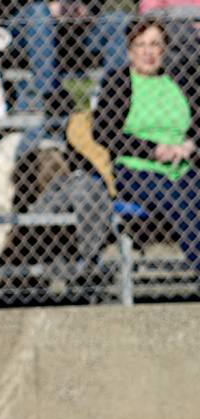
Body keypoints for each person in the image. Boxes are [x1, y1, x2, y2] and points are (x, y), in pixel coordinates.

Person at [94, 18, 200, 266]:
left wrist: (191, 145)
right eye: (140, 45)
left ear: (165, 49)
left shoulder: (182, 81)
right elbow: (105, 132)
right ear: (130, 50)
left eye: (155, 44)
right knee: (180, 200)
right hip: (136, 168)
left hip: (182, 166)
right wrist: (153, 150)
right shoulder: (118, 82)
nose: (148, 52)